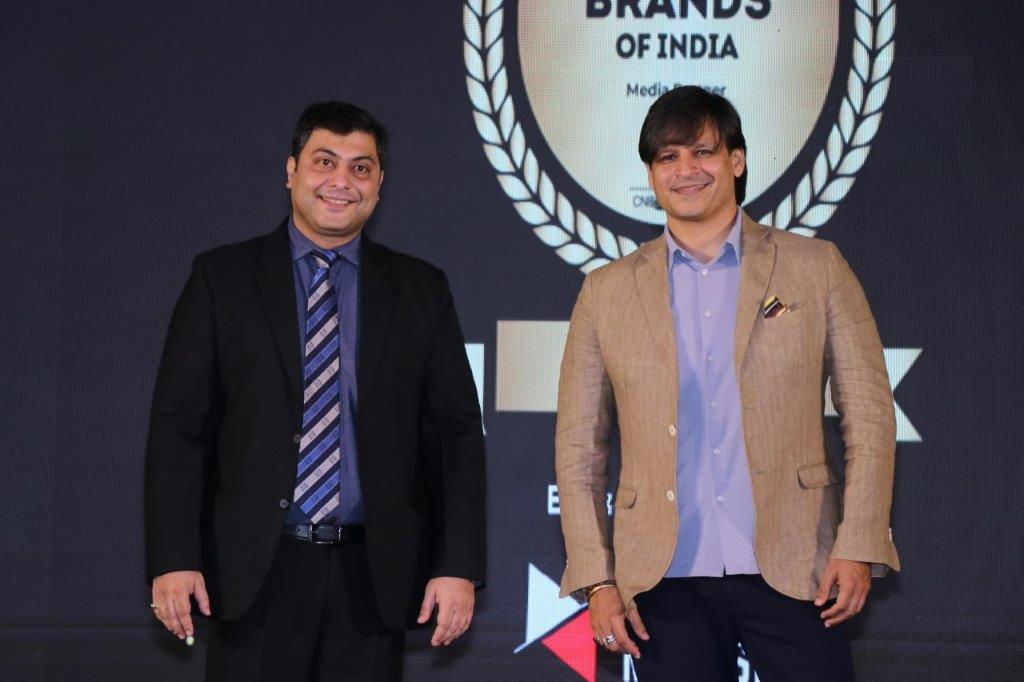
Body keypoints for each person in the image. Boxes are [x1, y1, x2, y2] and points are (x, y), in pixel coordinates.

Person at [555, 86, 899, 681]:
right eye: (668, 157)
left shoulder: (816, 267)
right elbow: (579, 447)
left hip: (800, 565)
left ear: (736, 160)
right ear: (651, 175)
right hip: (661, 579)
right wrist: (597, 579)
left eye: (703, 152)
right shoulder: (605, 291)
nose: (686, 170)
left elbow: (869, 417)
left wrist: (858, 542)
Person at [144, 101, 486, 682]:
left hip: (372, 577)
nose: (341, 181)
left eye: (360, 167)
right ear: (291, 171)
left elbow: (455, 438)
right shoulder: (221, 279)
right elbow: (179, 429)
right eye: (324, 162)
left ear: (379, 183)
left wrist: (457, 565)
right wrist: (174, 558)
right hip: (253, 571)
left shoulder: (421, 289)